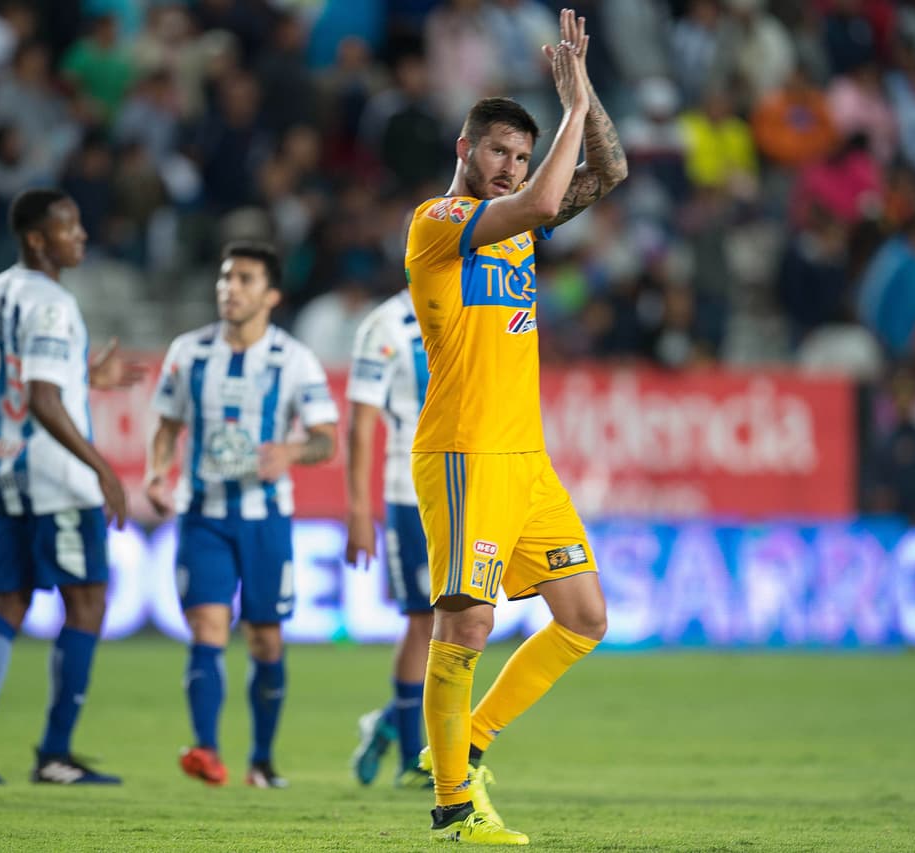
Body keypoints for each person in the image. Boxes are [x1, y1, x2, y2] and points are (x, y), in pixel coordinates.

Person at [406, 9, 625, 844]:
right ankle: (454, 809)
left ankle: (464, 744)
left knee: (583, 617)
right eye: (498, 150)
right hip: (463, 450)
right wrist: (566, 116)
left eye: (521, 155)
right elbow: (543, 198)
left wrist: (583, 93)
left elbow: (611, 169)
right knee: (465, 622)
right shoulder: (439, 225)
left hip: (524, 457)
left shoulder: (519, 228)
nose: (512, 166)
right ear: (466, 150)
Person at [0, 188, 145, 785]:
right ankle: (55, 754)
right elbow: (42, 397)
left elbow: (24, 379)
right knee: (87, 601)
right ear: (38, 239)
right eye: (69, 227)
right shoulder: (55, 303)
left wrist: (84, 375)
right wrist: (102, 467)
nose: (80, 236)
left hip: (1, 466)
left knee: (9, 603)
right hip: (55, 479)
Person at [145, 242, 339, 789]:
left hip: (265, 518)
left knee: (265, 640)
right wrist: (156, 473)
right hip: (201, 513)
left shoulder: (294, 360)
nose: (230, 287)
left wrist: (290, 452)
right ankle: (206, 751)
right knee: (206, 625)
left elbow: (326, 439)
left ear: (271, 295)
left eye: (246, 279)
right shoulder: (188, 352)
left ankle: (261, 760)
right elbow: (165, 425)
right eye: (226, 277)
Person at [343, 286, 435, 789]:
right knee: (424, 623)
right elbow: (360, 424)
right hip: (410, 490)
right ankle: (408, 760)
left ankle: (388, 721)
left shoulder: (476, 302)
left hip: (469, 488)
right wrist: (359, 509)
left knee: (468, 624)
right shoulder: (386, 325)